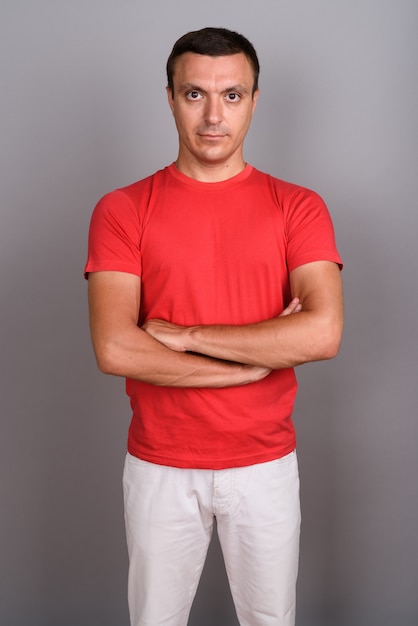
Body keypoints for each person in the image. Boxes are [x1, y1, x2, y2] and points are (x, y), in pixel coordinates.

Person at [85, 27, 343, 626]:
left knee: (271, 622)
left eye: (231, 95)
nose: (212, 116)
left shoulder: (298, 207)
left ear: (255, 100)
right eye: (194, 94)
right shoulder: (123, 209)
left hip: (265, 465)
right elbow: (115, 347)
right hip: (159, 466)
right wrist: (252, 365)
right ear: (170, 98)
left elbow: (322, 333)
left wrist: (190, 336)